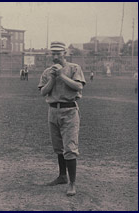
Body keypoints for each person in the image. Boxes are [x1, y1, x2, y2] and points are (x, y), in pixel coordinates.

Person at [38, 41, 86, 196]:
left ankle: (72, 184)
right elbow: (43, 92)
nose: (56, 56)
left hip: (70, 110)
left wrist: (61, 75)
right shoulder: (47, 72)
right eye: (53, 53)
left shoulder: (74, 68)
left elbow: (78, 87)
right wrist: (53, 78)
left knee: (70, 148)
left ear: (65, 53)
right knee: (58, 147)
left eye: (59, 53)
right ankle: (62, 176)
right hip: (53, 111)